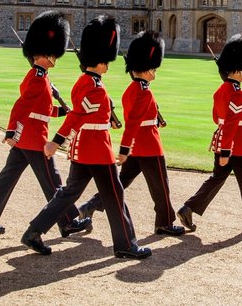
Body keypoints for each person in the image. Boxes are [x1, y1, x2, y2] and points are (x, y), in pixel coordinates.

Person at [21, 15, 150, 259]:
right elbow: (77, 115)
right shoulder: (95, 86)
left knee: (68, 194)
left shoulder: (87, 82)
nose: (108, 65)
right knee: (115, 195)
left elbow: (87, 113)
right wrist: (56, 141)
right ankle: (126, 245)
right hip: (97, 151)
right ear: (101, 61)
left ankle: (34, 231)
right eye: (106, 61)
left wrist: (107, 118)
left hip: (83, 150)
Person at [0, 10, 90, 238]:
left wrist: (62, 111)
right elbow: (22, 107)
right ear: (46, 54)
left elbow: (40, 110)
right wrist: (11, 131)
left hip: (26, 139)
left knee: (6, 180)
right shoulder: (38, 78)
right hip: (34, 139)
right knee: (54, 181)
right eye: (54, 55)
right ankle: (68, 221)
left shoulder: (40, 76)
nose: (56, 59)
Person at [76, 31, 186, 236]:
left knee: (119, 184)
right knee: (161, 188)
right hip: (150, 146)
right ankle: (164, 223)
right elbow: (134, 122)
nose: (155, 72)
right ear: (145, 70)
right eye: (153, 68)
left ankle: (90, 206)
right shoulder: (144, 91)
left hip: (136, 147)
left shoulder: (131, 89)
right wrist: (124, 148)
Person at [176, 34, 242, 235]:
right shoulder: (237, 93)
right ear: (236, 69)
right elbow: (230, 124)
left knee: (216, 179)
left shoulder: (221, 90)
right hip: (237, 146)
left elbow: (217, 118)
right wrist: (227, 152)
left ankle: (189, 207)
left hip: (222, 144)